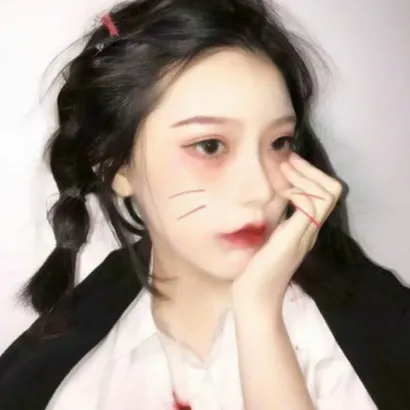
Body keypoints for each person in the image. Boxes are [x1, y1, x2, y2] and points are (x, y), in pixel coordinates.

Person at [0, 0, 409, 409]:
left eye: (279, 142)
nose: (262, 189)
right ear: (116, 166)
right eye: (209, 145)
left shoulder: (374, 334)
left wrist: (259, 314)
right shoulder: (63, 380)